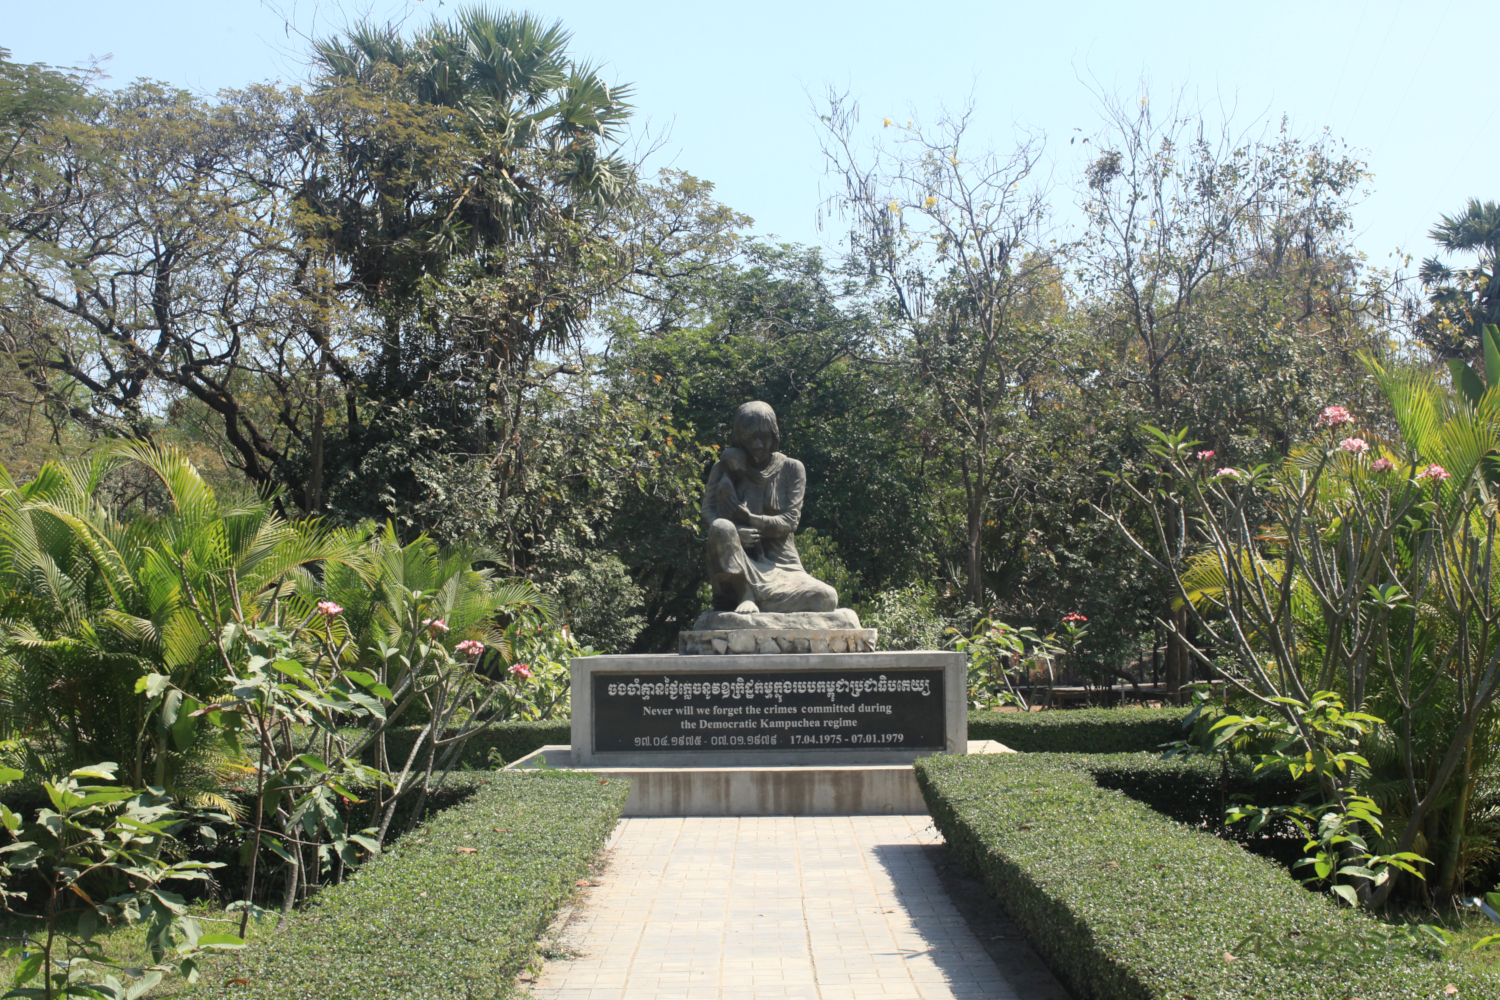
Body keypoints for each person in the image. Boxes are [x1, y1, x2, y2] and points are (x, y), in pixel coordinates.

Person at [701, 401, 838, 614]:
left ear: (774, 436)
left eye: (764, 437)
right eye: (750, 438)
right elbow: (708, 511)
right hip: (739, 562)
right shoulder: (724, 468)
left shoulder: (792, 468)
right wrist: (735, 535)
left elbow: (790, 521)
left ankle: (760, 601)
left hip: (783, 567)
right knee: (721, 527)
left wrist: (750, 518)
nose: (758, 445)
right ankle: (744, 594)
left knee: (826, 597)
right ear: (739, 437)